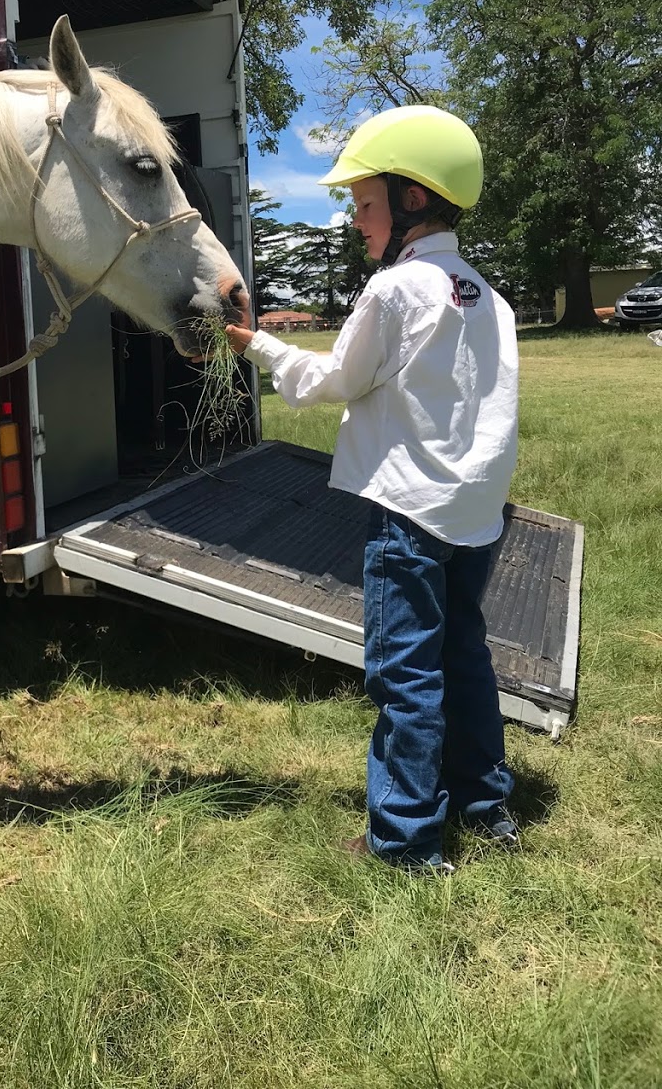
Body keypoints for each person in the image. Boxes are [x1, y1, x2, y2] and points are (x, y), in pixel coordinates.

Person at [226, 106, 519, 873]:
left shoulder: (395, 292)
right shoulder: (492, 298)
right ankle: (486, 805)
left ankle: (406, 839)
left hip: (409, 518)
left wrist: (255, 343)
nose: (356, 220)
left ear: (412, 198)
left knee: (406, 674)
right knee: (465, 657)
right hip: (474, 519)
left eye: (365, 203)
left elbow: (333, 379)